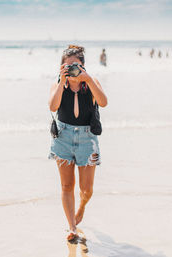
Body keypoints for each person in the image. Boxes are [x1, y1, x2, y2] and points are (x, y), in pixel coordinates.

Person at [48, 45, 108, 241]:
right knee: (66, 186)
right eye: (68, 66)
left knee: (87, 190)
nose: (72, 69)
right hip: (63, 138)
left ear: (83, 66)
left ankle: (81, 206)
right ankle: (72, 227)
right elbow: (53, 106)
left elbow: (104, 102)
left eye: (76, 65)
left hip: (87, 139)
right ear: (61, 68)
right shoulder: (58, 84)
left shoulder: (91, 82)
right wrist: (62, 81)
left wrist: (88, 79)